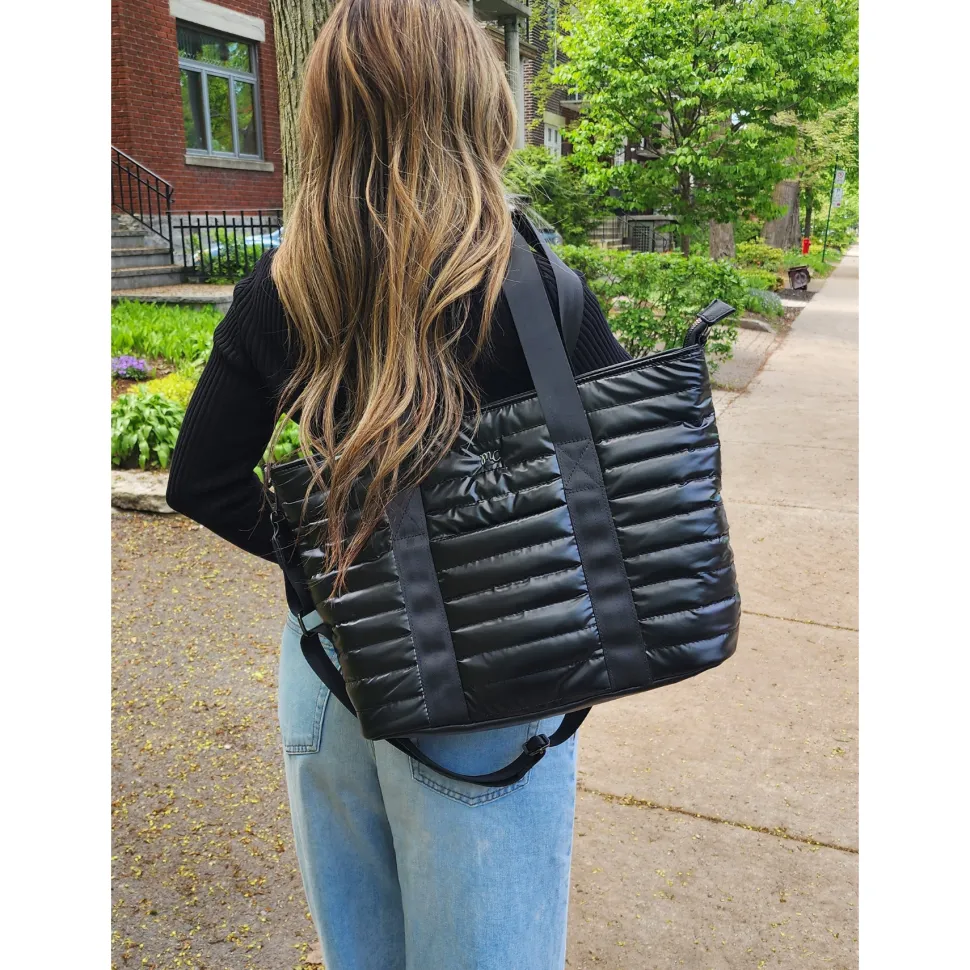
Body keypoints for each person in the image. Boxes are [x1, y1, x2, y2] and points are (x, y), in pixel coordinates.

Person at [167, 1, 630, 967]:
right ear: (474, 102)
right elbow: (627, 473)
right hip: (498, 681)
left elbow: (202, 480)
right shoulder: (533, 287)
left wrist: (344, 565)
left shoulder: (281, 289)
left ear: (330, 114)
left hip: (330, 669)